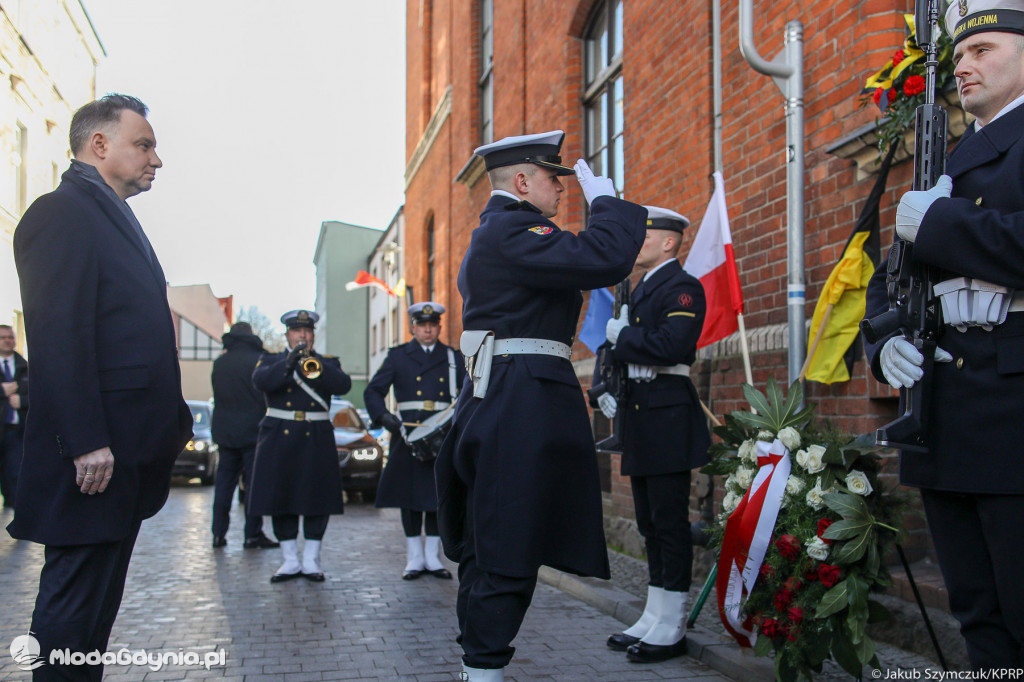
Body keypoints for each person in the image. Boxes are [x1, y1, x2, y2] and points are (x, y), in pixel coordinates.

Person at [434, 130, 647, 681]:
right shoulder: (513, 228)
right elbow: (603, 258)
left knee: (499, 537)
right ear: (522, 182)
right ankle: (481, 668)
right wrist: (608, 205)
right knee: (508, 540)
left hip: (514, 394)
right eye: (554, 180)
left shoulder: (505, 233)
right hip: (520, 399)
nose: (561, 191)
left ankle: (477, 664)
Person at [9, 94, 193, 680]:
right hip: (94, 454)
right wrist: (86, 439)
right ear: (99, 145)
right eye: (144, 144)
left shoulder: (107, 213)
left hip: (124, 450)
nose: (156, 159)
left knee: (94, 611)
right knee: (72, 605)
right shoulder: (61, 212)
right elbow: (57, 333)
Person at [863, 0, 1024, 668]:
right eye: (957, 55)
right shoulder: (947, 160)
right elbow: (890, 279)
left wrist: (937, 225)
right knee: (976, 611)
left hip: (1012, 405)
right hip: (946, 409)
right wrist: (884, 343)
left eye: (982, 49)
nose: (964, 64)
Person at [598, 206, 711, 662]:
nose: (637, 243)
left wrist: (622, 338)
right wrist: (603, 387)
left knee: (669, 523)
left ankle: (673, 622)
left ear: (669, 242)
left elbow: (672, 346)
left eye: (646, 237)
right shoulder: (640, 288)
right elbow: (620, 349)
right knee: (648, 523)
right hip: (642, 415)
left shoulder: (682, 287)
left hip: (667, 415)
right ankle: (654, 612)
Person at [365, 302, 466, 580]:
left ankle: (433, 558)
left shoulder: (452, 357)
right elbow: (373, 391)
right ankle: (414, 558)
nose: (428, 329)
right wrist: (383, 417)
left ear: (439, 327)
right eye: (422, 325)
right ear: (413, 327)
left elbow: (467, 392)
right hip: (408, 436)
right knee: (409, 499)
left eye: (432, 325)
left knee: (436, 497)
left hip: (442, 435)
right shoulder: (398, 357)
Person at [248, 310, 351, 583]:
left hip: (315, 437)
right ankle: (290, 560)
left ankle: (311, 560)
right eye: (297, 332)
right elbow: (260, 382)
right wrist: (288, 365)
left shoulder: (328, 362)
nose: (302, 336)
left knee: (317, 499)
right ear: (287, 335)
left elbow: (343, 384)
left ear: (313, 335)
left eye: (306, 332)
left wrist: (315, 363)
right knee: (282, 498)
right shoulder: (270, 360)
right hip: (279, 439)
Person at [210, 321, 278, 549]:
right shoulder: (258, 360)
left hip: (225, 433)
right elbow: (264, 395)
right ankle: (252, 534)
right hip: (253, 433)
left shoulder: (220, 363)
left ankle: (218, 534)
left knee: (223, 487)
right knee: (253, 486)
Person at [0, 324, 28, 508]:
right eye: (3, 337)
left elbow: (41, 395)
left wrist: (23, 401)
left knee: (15, 475)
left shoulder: (25, 367)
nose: (8, 340)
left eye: (10, 337)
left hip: (15, 431)